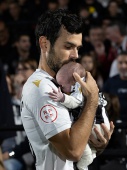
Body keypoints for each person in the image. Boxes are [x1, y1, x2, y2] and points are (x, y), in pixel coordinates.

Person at [20, 9, 113, 170]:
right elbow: (73, 150)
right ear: (45, 44)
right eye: (68, 46)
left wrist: (96, 142)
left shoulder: (62, 82)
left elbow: (79, 141)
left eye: (78, 48)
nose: (75, 55)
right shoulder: (42, 87)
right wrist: (92, 99)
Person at [48, 61, 110, 170]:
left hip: (96, 126)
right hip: (99, 126)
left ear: (75, 82)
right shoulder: (85, 87)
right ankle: (90, 157)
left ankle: (83, 165)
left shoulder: (80, 89)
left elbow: (75, 102)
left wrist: (62, 97)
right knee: (86, 146)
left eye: (62, 86)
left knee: (79, 143)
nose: (61, 89)